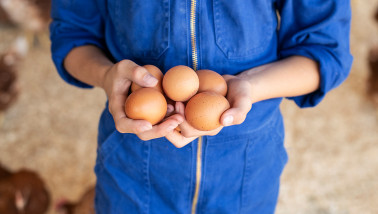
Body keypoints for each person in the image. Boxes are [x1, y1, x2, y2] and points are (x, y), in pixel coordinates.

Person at [50, 0, 353, 213]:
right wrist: (106, 75)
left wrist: (251, 87)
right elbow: (72, 36)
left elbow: (324, 51)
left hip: (246, 164)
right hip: (132, 162)